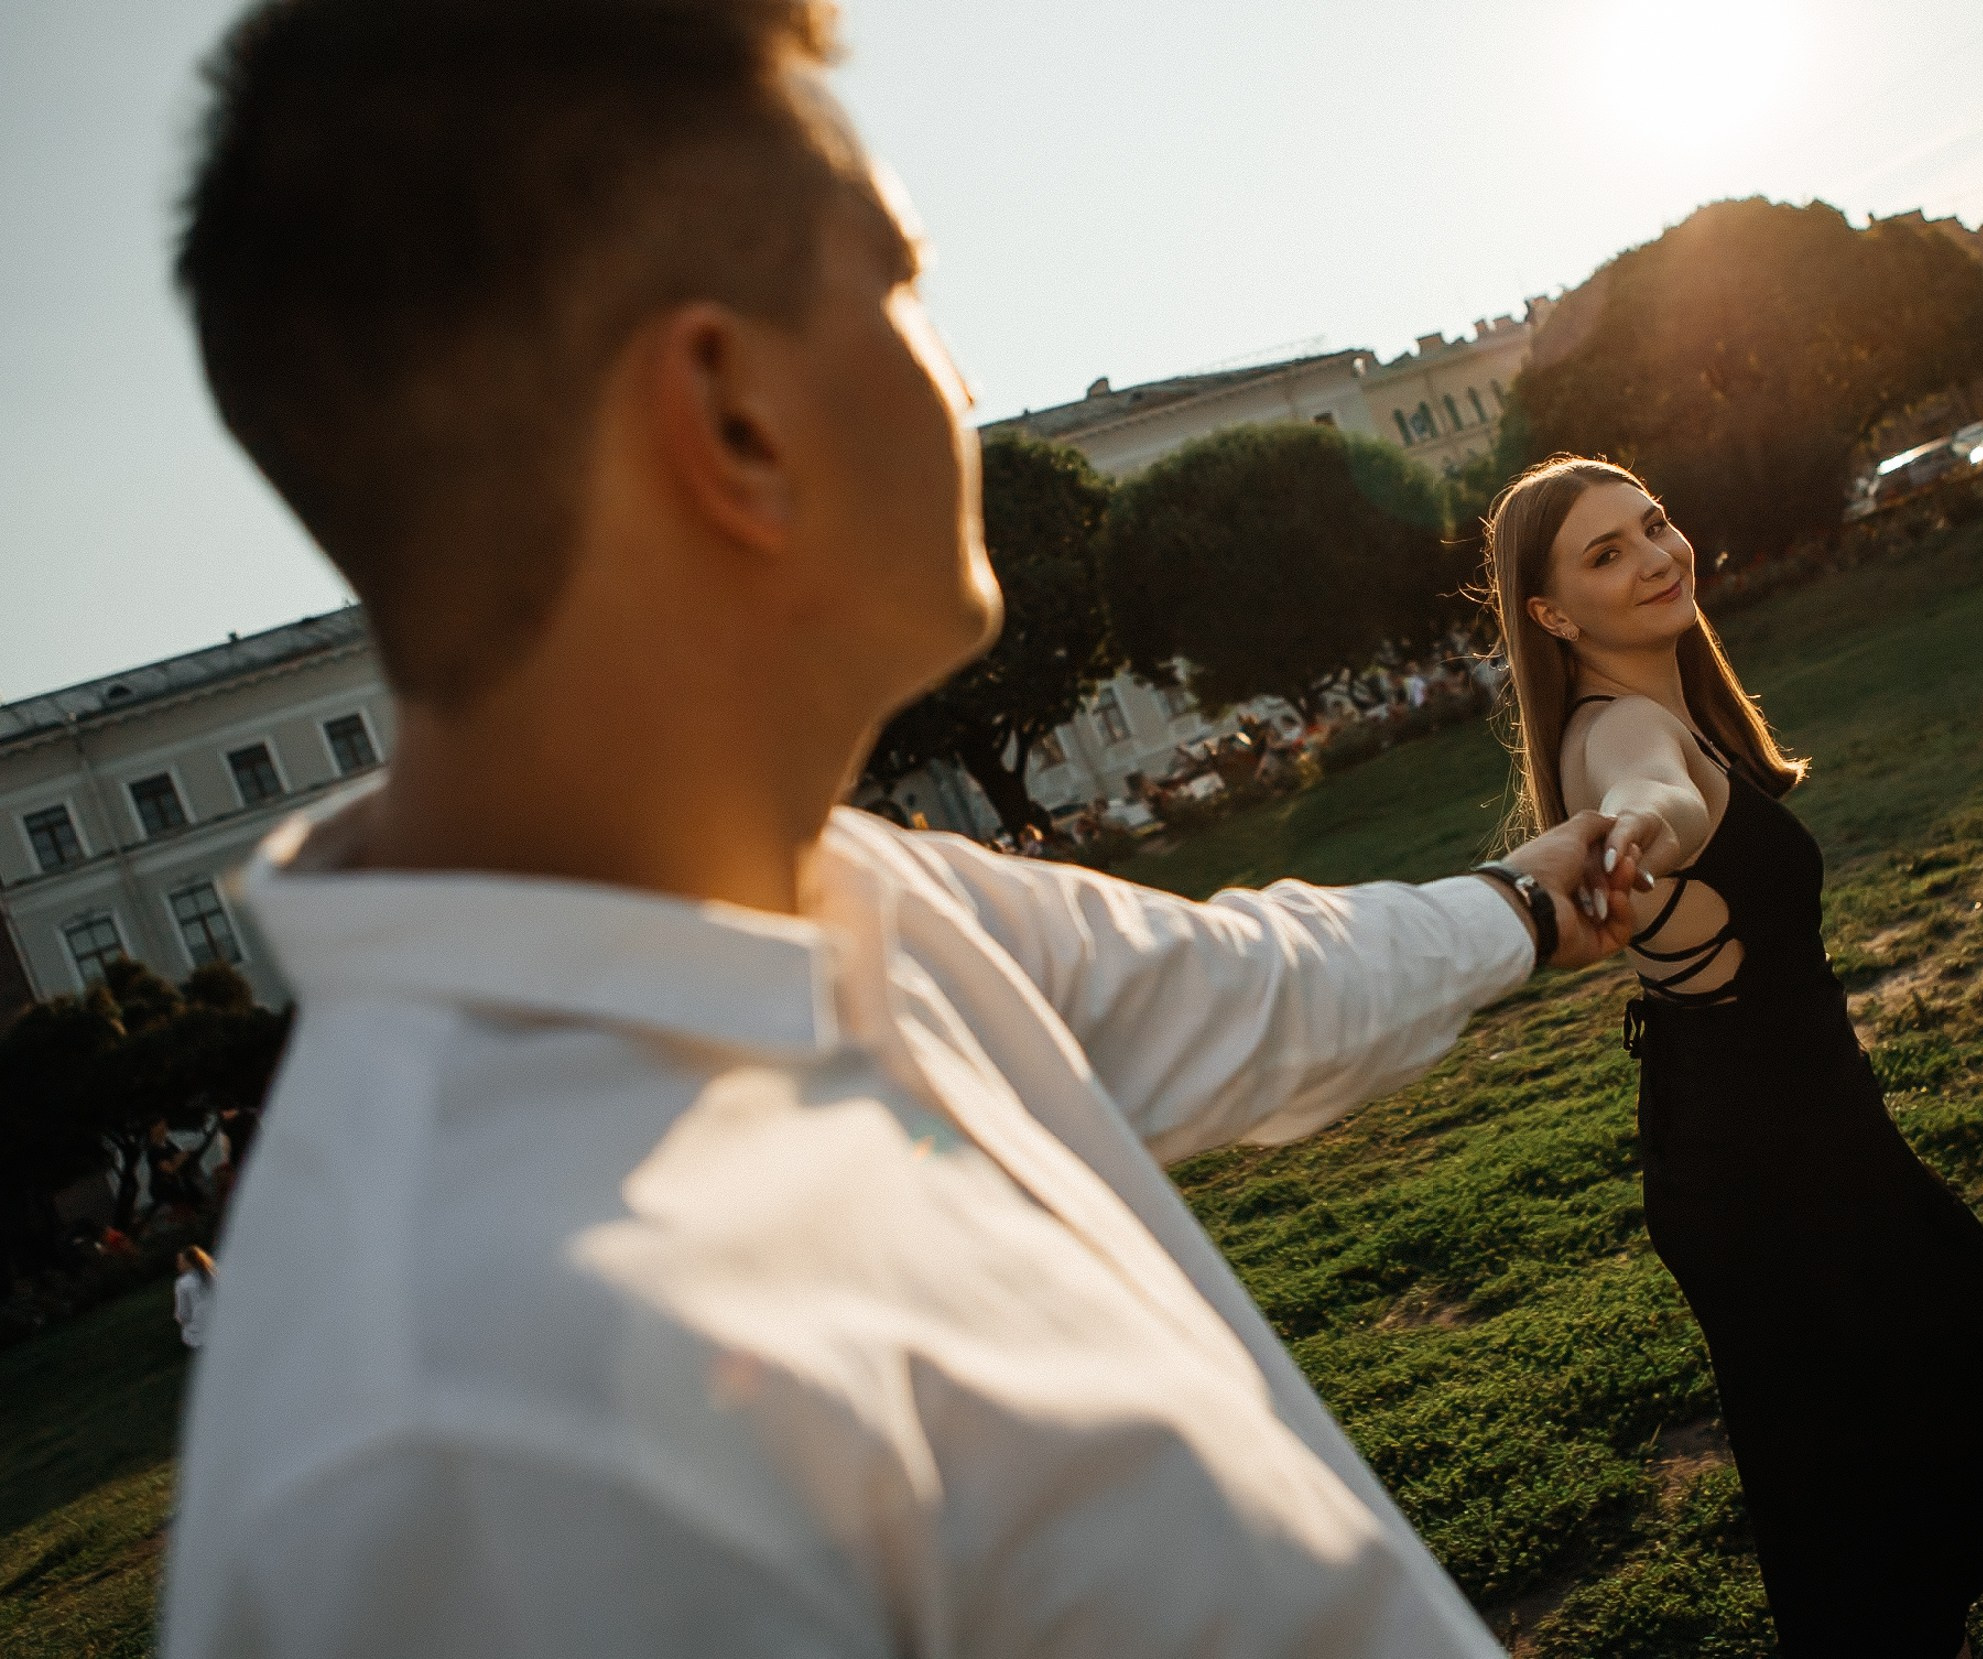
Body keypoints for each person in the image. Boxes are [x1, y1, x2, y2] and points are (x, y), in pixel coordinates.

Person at [160, 6, 1641, 1657]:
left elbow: (1245, 982)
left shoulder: (842, 891)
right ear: (731, 417)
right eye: (904, 283)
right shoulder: (485, 1454)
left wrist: (1522, 907)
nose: (969, 380)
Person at [1482, 455, 1983, 1659]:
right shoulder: (1623, 737)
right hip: (1779, 1192)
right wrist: (1637, 827)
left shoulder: (1661, 710)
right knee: (1925, 1489)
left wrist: (1655, 812)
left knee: (1914, 1493)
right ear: (1548, 614)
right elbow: (1650, 796)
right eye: (1605, 554)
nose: (1654, 556)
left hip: (1784, 1159)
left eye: (1655, 522)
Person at [173, 1247, 217, 1350]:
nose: (178, 1265)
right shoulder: (215, 1272)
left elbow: (183, 1314)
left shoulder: (183, 1284)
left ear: (188, 1263)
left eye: (180, 1261)